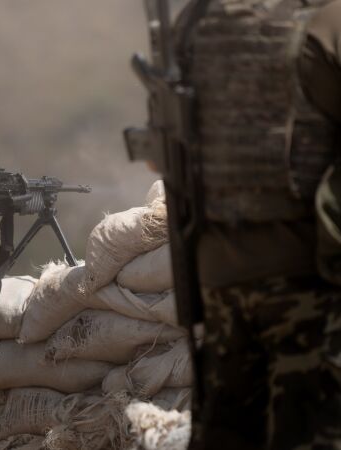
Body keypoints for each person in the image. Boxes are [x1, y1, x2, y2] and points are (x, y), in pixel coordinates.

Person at [169, 1, 341, 448]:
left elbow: (167, 152)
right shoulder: (327, 23)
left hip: (218, 284)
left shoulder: (196, 22)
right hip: (311, 287)